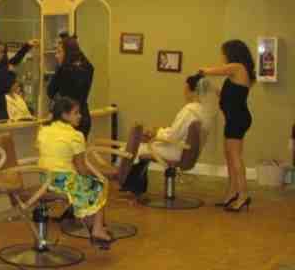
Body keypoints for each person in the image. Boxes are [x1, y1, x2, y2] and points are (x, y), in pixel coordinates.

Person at [122, 74, 216, 195]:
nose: (184, 91)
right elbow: (179, 132)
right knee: (144, 146)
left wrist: (155, 134)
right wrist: (159, 132)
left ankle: (128, 184)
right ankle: (137, 185)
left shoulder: (190, 110)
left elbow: (173, 136)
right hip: (187, 152)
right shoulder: (203, 111)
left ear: (190, 89)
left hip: (177, 151)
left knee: (138, 148)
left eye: (185, 87)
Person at [37, 97, 112, 249]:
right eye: (76, 113)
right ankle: (97, 229)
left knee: (89, 187)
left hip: (44, 178)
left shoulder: (43, 130)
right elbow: (81, 168)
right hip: (61, 181)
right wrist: (94, 176)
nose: (80, 116)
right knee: (100, 185)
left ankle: (94, 228)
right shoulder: (76, 136)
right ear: (64, 115)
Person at [199, 39, 255, 212]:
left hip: (237, 119)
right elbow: (226, 96)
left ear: (232, 53)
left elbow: (212, 71)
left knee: (235, 156)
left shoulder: (238, 67)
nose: (223, 57)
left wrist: (202, 72)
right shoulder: (236, 72)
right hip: (234, 119)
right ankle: (232, 193)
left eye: (224, 53)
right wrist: (211, 88)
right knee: (230, 156)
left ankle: (243, 195)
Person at [47, 33, 94, 138]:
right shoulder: (88, 69)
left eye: (59, 52)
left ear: (67, 53)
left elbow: (50, 92)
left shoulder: (63, 71)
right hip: (83, 117)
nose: (56, 55)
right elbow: (84, 60)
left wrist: (58, 68)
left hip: (67, 119)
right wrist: (73, 44)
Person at [0, 39, 38, 121]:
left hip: (13, 102)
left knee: (30, 112)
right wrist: (8, 71)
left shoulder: (7, 65)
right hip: (3, 106)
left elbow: (18, 57)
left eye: (2, 52)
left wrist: (28, 45)